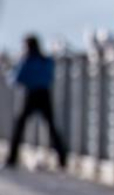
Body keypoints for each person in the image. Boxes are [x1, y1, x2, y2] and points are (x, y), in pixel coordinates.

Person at [5, 34, 67, 170]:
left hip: (31, 94)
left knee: (19, 126)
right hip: (45, 94)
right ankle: (63, 159)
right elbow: (50, 77)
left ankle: (11, 159)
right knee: (51, 126)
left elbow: (16, 78)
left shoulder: (26, 60)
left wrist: (11, 73)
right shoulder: (46, 60)